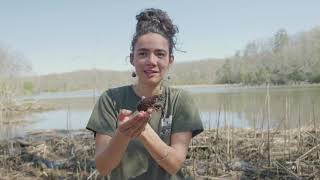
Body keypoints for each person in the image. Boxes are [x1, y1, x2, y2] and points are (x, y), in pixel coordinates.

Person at [86, 8, 203, 180]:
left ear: (170, 60)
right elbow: (103, 168)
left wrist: (143, 131)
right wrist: (123, 134)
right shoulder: (110, 99)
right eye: (143, 53)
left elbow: (175, 164)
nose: (151, 61)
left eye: (160, 54)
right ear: (132, 58)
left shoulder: (181, 101)